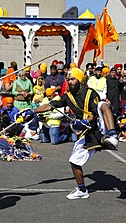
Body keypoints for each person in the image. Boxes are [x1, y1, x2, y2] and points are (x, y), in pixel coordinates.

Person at [34, 68, 103, 199]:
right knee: (74, 161)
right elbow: (50, 105)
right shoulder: (67, 96)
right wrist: (32, 111)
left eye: (72, 79)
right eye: (68, 79)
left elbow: (95, 114)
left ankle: (82, 191)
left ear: (80, 80)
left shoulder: (91, 94)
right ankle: (82, 189)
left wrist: (84, 122)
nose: (69, 82)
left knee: (74, 160)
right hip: (83, 132)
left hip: (94, 131)